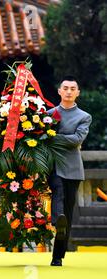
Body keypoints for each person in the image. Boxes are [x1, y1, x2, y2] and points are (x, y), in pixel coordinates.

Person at [48, 76, 92, 267]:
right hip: (53, 166)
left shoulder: (84, 117)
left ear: (77, 93)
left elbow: (76, 140)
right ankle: (56, 219)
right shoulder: (48, 114)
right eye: (65, 88)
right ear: (59, 91)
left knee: (67, 212)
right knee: (57, 191)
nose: (68, 91)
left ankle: (58, 255)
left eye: (72, 88)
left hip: (73, 169)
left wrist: (52, 136)